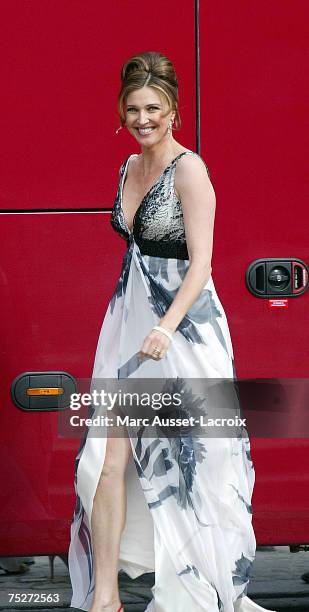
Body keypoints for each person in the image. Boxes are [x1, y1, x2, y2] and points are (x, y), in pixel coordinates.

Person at [68, 51, 276, 612]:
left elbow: (203, 263)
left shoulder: (190, 170)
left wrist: (165, 326)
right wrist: (139, 325)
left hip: (182, 332)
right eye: (133, 108)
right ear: (121, 111)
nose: (143, 119)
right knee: (106, 461)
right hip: (127, 327)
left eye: (153, 108)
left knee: (192, 466)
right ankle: (104, 598)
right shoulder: (126, 169)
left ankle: (196, 591)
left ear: (174, 111)